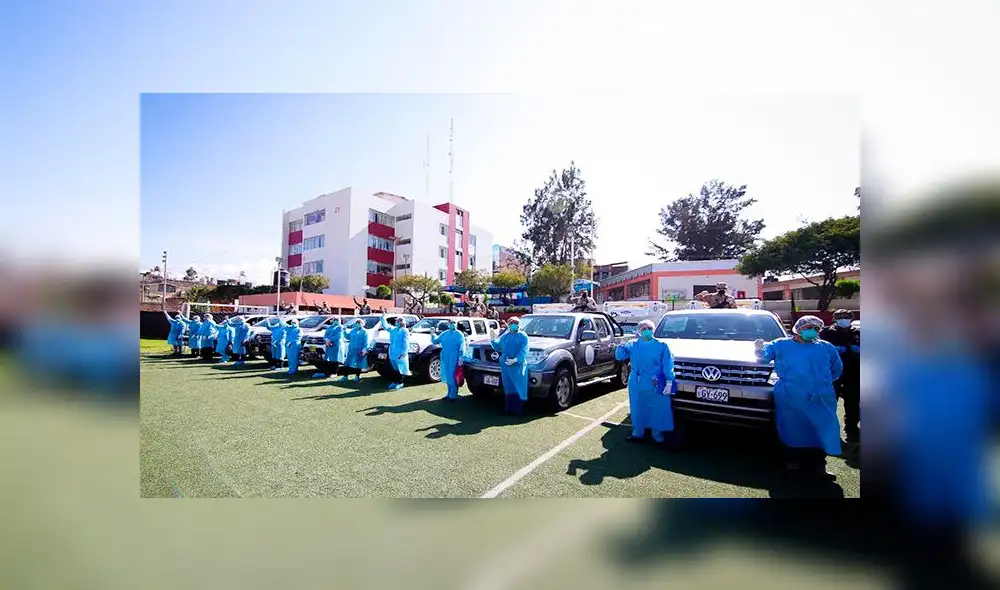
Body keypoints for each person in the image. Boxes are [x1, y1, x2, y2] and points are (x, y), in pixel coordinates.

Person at [755, 315, 843, 480]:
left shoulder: (826, 347)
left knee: (820, 429)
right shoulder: (781, 344)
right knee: (792, 429)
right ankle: (792, 466)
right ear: (798, 328)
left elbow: (836, 369)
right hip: (791, 396)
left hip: (821, 397)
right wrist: (759, 350)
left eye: (816, 329)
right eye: (808, 327)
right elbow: (764, 359)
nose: (812, 331)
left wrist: (820, 384)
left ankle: (819, 467)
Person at [614, 319, 676, 443]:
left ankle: (657, 435)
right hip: (637, 382)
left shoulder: (661, 345)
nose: (646, 331)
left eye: (649, 328)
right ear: (639, 331)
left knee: (657, 407)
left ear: (653, 330)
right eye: (643, 328)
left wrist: (669, 381)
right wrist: (620, 346)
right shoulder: (633, 344)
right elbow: (620, 357)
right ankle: (638, 433)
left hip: (655, 382)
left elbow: (668, 364)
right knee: (638, 407)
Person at [819, 309, 861, 444]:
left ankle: (852, 429)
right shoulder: (826, 333)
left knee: (853, 403)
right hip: (832, 375)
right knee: (829, 402)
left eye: (846, 317)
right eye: (840, 317)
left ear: (851, 319)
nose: (843, 320)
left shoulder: (859, 333)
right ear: (834, 319)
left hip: (854, 374)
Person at [491, 316, 529, 415]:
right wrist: (493, 339)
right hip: (506, 366)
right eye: (511, 323)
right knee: (508, 386)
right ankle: (509, 408)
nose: (513, 325)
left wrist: (516, 359)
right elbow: (498, 347)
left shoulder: (523, 336)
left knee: (518, 386)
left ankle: (518, 409)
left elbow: (524, 350)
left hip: (517, 366)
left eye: (515, 323)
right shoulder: (506, 336)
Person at [432, 319, 468, 401]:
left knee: (453, 375)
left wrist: (461, 358)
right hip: (445, 356)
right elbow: (435, 341)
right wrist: (432, 333)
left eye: (454, 323)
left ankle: (454, 394)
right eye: (451, 323)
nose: (452, 324)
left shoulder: (459, 334)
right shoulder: (445, 333)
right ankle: (449, 394)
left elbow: (462, 346)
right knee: (447, 374)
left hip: (454, 356)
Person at [380, 314, 411, 389]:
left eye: (397, 321)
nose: (395, 322)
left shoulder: (404, 331)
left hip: (400, 352)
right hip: (393, 352)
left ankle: (400, 382)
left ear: (401, 322)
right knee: (394, 368)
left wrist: (403, 353)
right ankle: (395, 382)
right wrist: (383, 318)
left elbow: (405, 342)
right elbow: (386, 327)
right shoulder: (394, 329)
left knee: (401, 368)